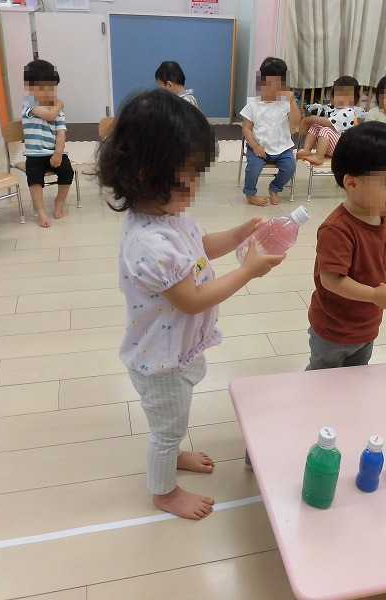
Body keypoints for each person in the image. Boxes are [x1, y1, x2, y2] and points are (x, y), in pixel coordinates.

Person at [95, 89, 285, 520]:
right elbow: (193, 300)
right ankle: (164, 492)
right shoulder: (150, 244)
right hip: (160, 361)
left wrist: (238, 235)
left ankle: (175, 451)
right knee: (167, 430)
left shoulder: (169, 216)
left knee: (173, 421)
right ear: (147, 177)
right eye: (188, 179)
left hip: (175, 348)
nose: (196, 187)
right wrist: (247, 272)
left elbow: (200, 248)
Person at [305, 122, 386, 371]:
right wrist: (374, 295)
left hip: (368, 323)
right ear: (352, 183)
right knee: (322, 377)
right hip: (333, 328)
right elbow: (332, 280)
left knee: (357, 373)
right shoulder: (337, 229)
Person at [239, 57, 300, 207]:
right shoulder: (253, 104)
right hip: (258, 147)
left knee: (290, 167)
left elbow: (295, 122)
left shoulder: (285, 102)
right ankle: (250, 193)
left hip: (282, 147)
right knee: (253, 168)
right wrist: (255, 146)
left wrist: (292, 102)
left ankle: (274, 188)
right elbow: (246, 128)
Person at [22, 59, 75, 227]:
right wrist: (60, 104)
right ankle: (40, 211)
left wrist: (58, 153)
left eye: (53, 87)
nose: (50, 92)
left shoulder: (58, 109)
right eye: (44, 88)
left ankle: (59, 201)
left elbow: (61, 132)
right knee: (34, 179)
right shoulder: (30, 104)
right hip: (35, 154)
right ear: (31, 88)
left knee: (67, 172)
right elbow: (50, 115)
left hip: (54, 153)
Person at [296, 76, 363, 166]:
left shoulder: (348, 112)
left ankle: (319, 157)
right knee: (316, 126)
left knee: (326, 130)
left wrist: (313, 118)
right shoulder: (335, 109)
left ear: (354, 98)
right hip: (334, 147)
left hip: (343, 151)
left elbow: (328, 122)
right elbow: (323, 116)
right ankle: (307, 150)